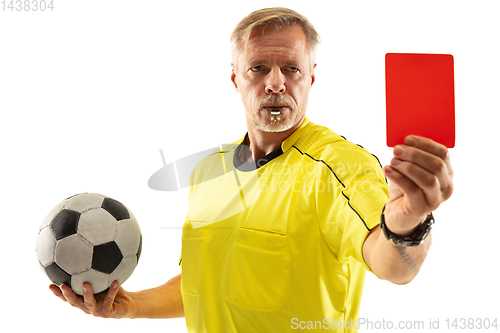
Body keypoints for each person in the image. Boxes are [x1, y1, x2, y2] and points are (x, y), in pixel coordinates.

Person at [50, 7, 454, 332]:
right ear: (235, 79)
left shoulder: (338, 165)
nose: (275, 83)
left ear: (311, 78)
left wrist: (410, 220)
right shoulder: (208, 172)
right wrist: (130, 307)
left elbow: (394, 266)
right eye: (258, 68)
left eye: (292, 69)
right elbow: (201, 286)